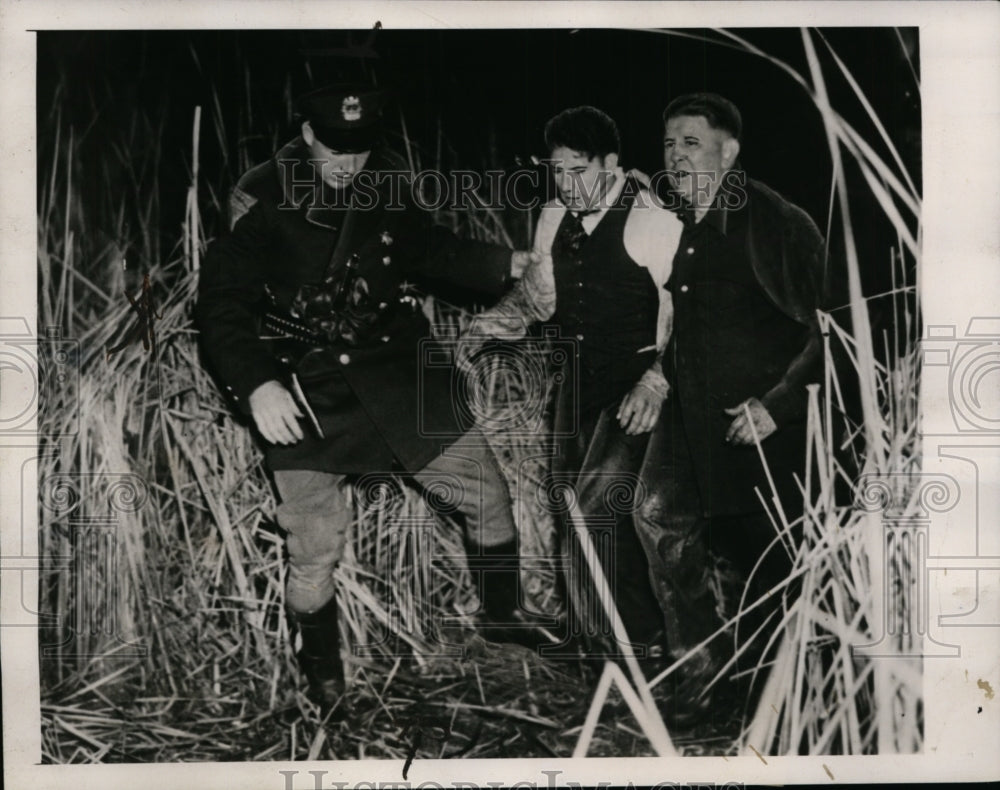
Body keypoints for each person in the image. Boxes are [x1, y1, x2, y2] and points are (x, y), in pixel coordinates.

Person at [195, 84, 550, 711]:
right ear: (306, 132)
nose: (349, 164)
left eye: (359, 149)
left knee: (488, 493)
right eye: (336, 148)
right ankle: (323, 675)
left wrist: (507, 262)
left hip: (397, 368)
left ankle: (501, 617)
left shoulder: (385, 177)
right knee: (314, 542)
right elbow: (221, 307)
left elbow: (430, 248)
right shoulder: (262, 195)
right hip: (305, 383)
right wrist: (256, 385)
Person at [459, 106, 684, 664]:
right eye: (557, 171)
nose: (567, 184)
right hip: (575, 387)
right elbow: (539, 298)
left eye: (580, 170)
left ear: (613, 163)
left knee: (599, 511)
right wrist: (488, 326)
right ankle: (595, 649)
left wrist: (657, 382)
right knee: (569, 514)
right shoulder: (554, 216)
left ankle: (646, 651)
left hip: (637, 389)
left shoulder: (655, 222)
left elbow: (693, 316)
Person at [633, 92, 829, 721]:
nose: (675, 155)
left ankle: (781, 698)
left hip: (761, 431)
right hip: (692, 418)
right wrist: (657, 377)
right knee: (656, 518)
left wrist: (778, 405)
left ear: (730, 150)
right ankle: (704, 674)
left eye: (691, 142)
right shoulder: (689, 220)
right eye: (669, 144)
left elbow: (834, 330)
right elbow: (689, 323)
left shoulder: (775, 221)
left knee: (770, 562)